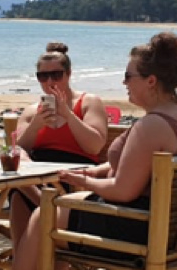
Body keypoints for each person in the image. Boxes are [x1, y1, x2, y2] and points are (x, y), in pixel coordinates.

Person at [0, 31, 177, 270]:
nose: (124, 82)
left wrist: (83, 183)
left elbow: (122, 190)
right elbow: (137, 169)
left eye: (128, 75)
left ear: (150, 81)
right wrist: (90, 172)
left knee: (46, 214)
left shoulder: (153, 125)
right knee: (47, 205)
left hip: (140, 230)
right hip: (174, 229)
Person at [7, 42, 108, 254]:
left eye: (56, 75)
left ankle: (47, 206)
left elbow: (95, 146)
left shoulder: (88, 102)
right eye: (43, 77)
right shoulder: (32, 111)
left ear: (69, 74)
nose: (50, 82)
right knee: (18, 184)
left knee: (20, 188)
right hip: (37, 177)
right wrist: (36, 124)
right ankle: (22, 257)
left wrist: (68, 115)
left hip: (74, 176)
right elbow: (18, 148)